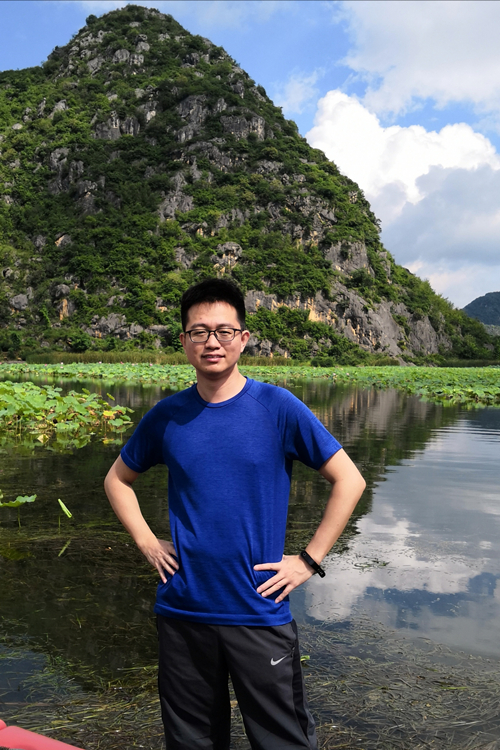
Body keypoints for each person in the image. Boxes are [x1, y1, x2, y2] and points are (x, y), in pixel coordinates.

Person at [104, 278, 366, 750]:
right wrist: (146, 541)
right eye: (199, 331)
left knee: (282, 740)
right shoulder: (167, 416)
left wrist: (308, 561)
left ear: (243, 339)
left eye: (224, 331)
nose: (212, 342)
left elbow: (350, 480)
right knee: (192, 742)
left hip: (258, 609)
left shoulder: (277, 408)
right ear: (183, 341)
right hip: (183, 610)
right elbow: (116, 480)